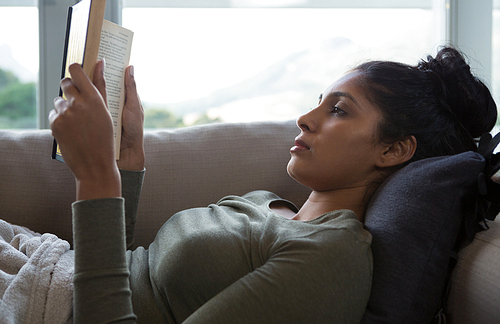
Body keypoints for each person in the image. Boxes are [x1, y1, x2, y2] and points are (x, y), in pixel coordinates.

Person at [46, 46, 496, 323]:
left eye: (339, 110)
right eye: (319, 102)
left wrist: (98, 179)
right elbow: (121, 275)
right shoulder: (266, 203)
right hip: (39, 265)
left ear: (394, 150)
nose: (306, 117)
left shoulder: (329, 259)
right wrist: (127, 161)